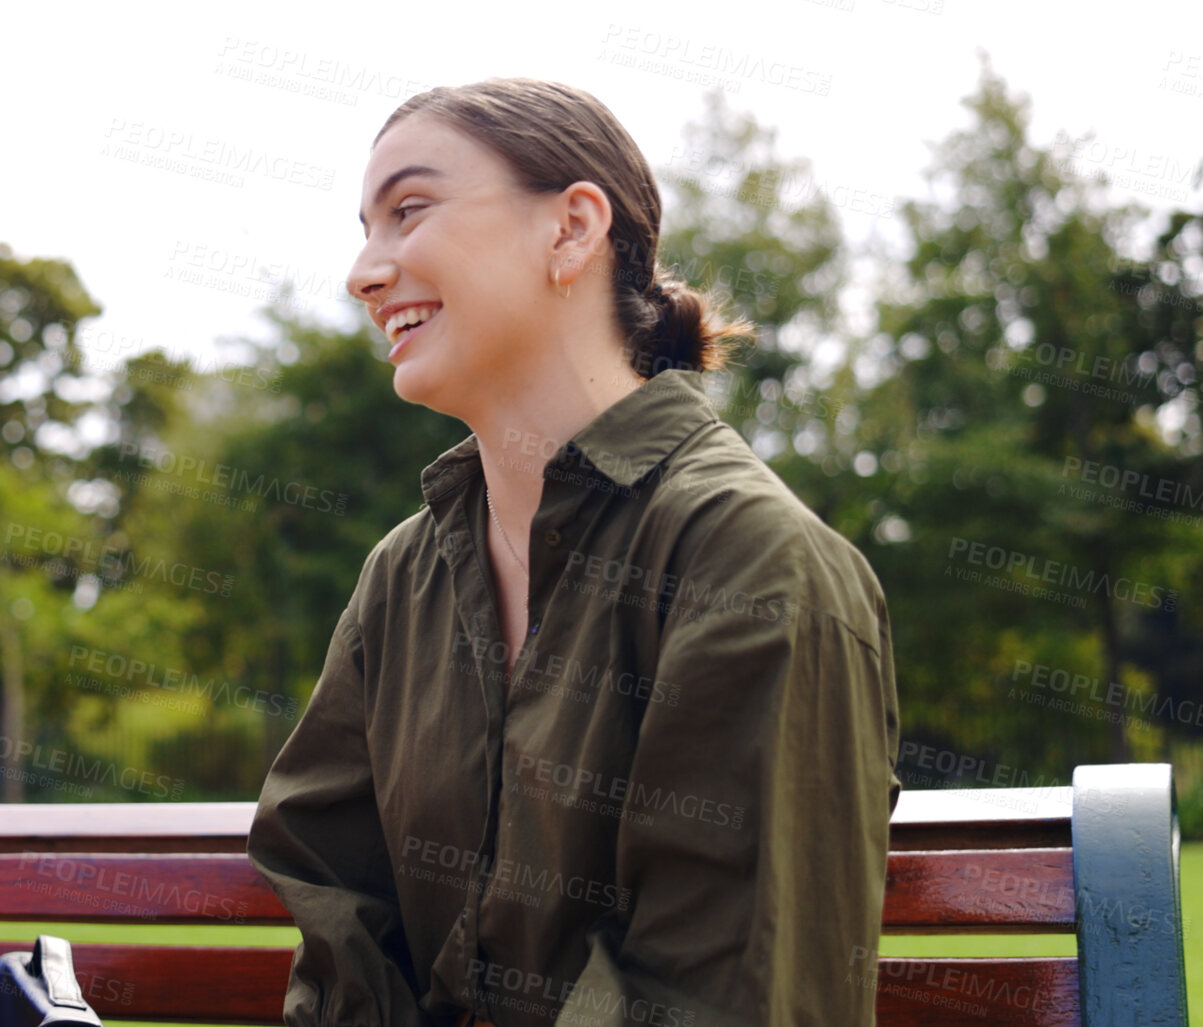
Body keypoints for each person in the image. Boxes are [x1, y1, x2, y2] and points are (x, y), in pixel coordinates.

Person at [247, 79, 901, 1026]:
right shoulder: (403, 575)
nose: (364, 272)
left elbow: (714, 990)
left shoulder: (752, 562)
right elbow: (330, 881)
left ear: (571, 229)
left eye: (409, 210)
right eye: (364, 227)